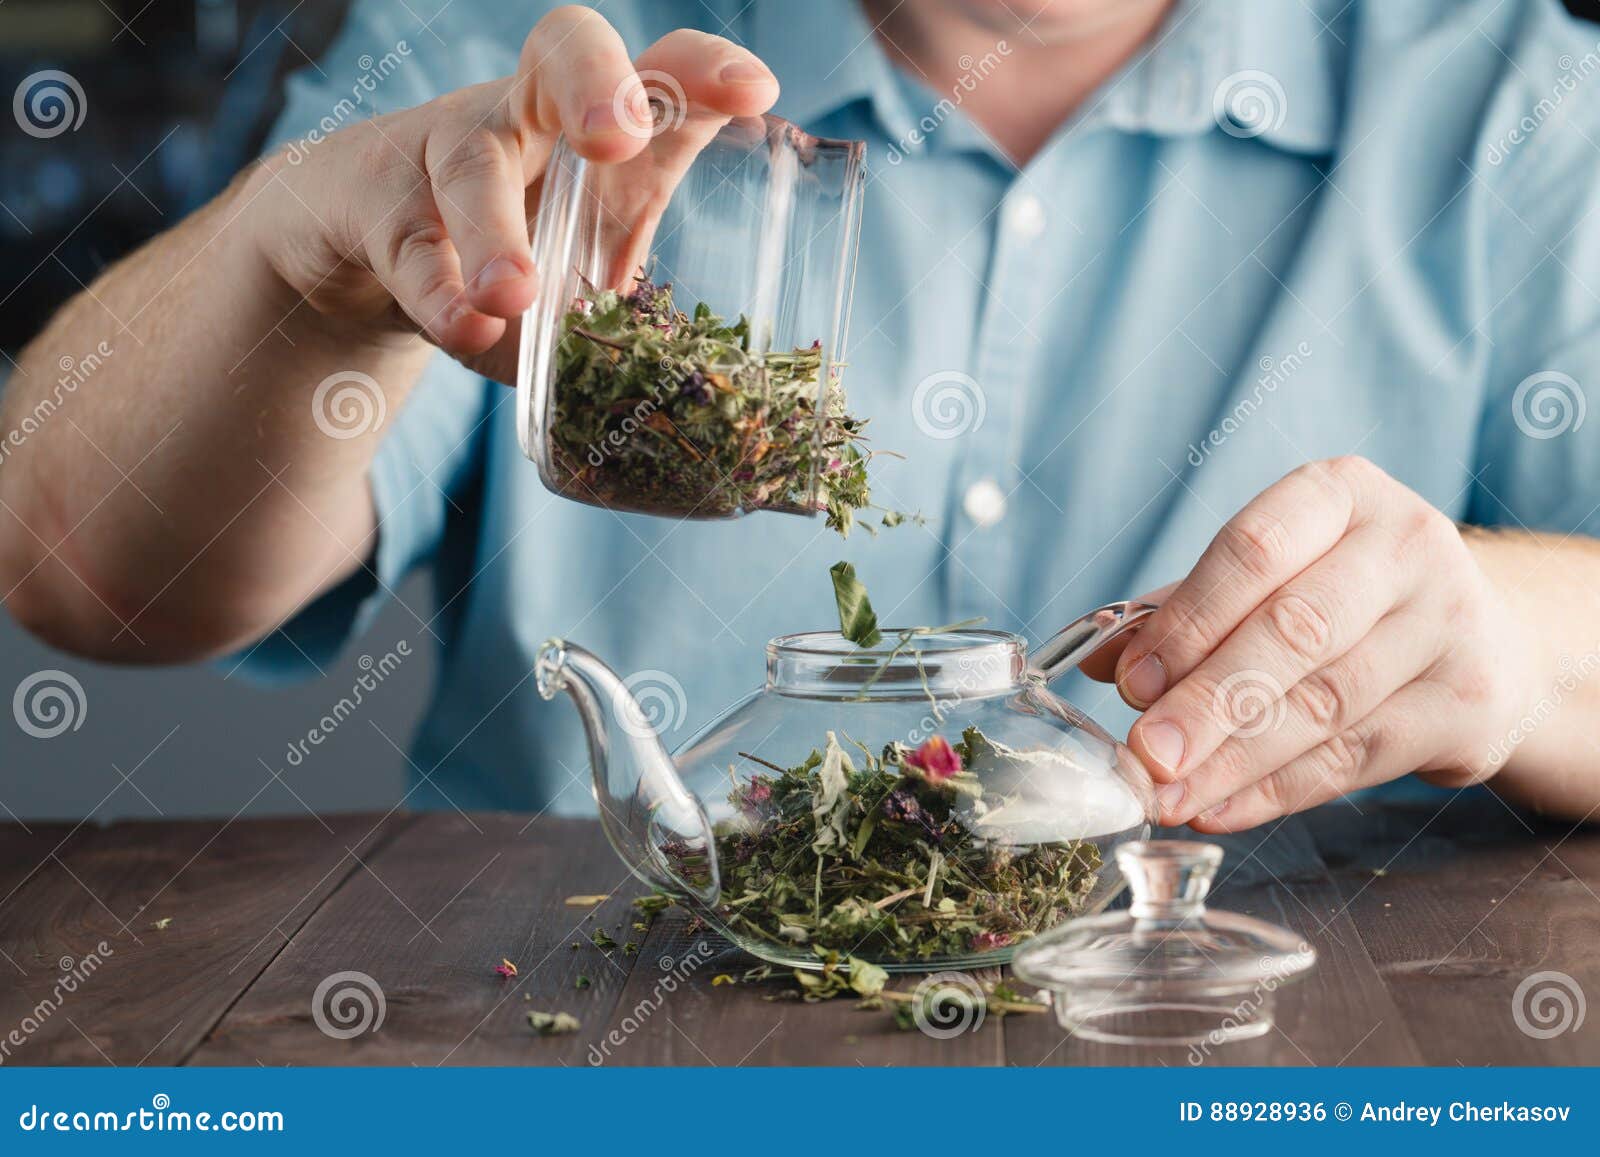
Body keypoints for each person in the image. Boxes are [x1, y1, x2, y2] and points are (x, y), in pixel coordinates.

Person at [4, 0, 1599, 828]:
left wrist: (1512, 640)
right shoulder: (536, 52)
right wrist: (304, 267)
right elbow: (77, 566)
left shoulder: (1509, 109)